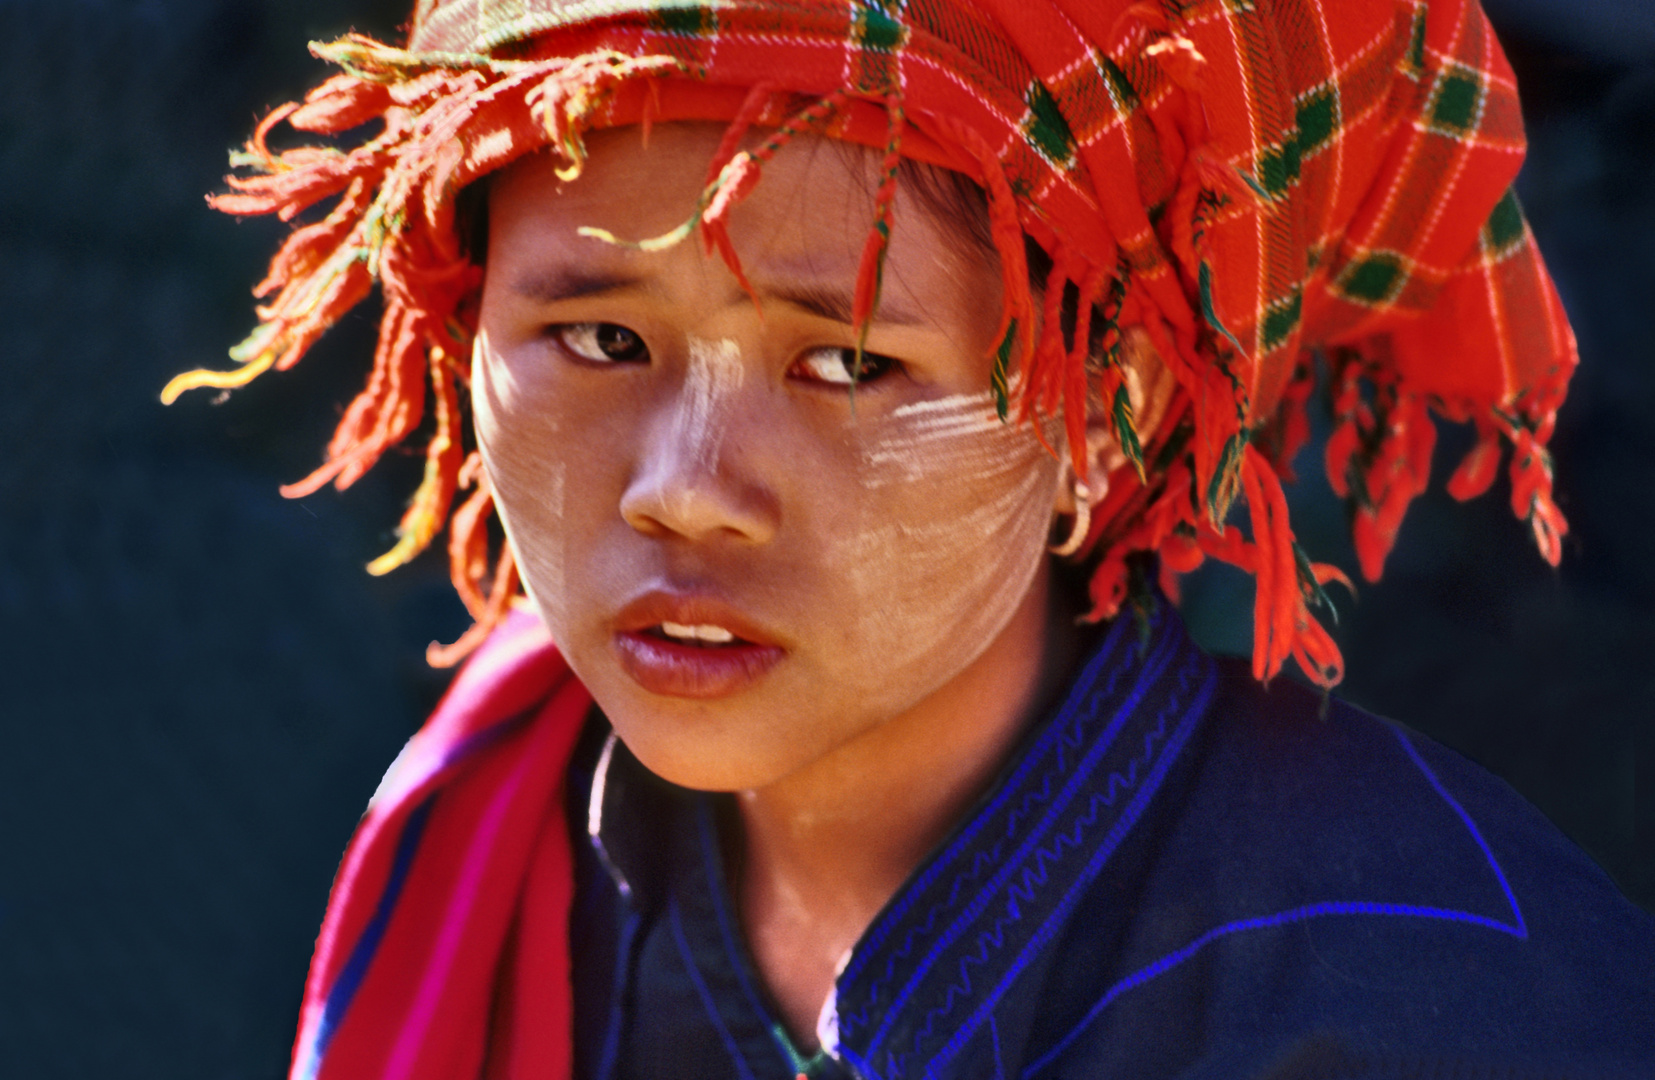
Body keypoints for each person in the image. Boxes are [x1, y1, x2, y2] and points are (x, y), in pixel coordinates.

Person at [165, 0, 1655, 1076]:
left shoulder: (1427, 992)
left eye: (846, 365)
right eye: (600, 337)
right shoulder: (504, 854)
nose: (682, 490)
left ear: (1103, 417)